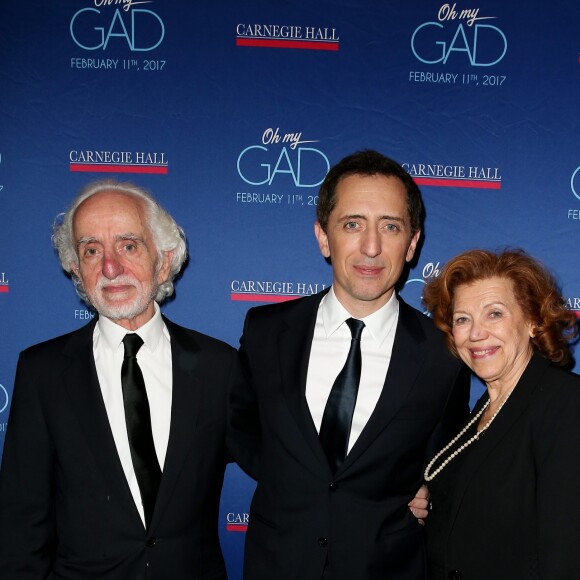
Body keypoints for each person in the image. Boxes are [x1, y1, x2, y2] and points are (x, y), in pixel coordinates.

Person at [228, 150, 471, 580]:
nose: (371, 247)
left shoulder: (444, 353)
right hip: (278, 564)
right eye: (352, 224)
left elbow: (447, 463)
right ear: (323, 236)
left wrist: (429, 493)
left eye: (391, 227)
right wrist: (292, 483)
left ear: (412, 243)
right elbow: (240, 427)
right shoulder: (266, 331)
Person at [0, 180, 237, 579]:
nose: (111, 268)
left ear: (163, 260)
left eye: (128, 245)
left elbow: (283, 471)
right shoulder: (42, 372)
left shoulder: (220, 366)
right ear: (76, 268)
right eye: (92, 250)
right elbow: (21, 526)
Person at [422, 248, 580, 580]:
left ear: (533, 322)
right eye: (463, 319)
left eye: (494, 314)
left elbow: (564, 554)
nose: (476, 333)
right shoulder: (483, 408)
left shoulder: (565, 403)